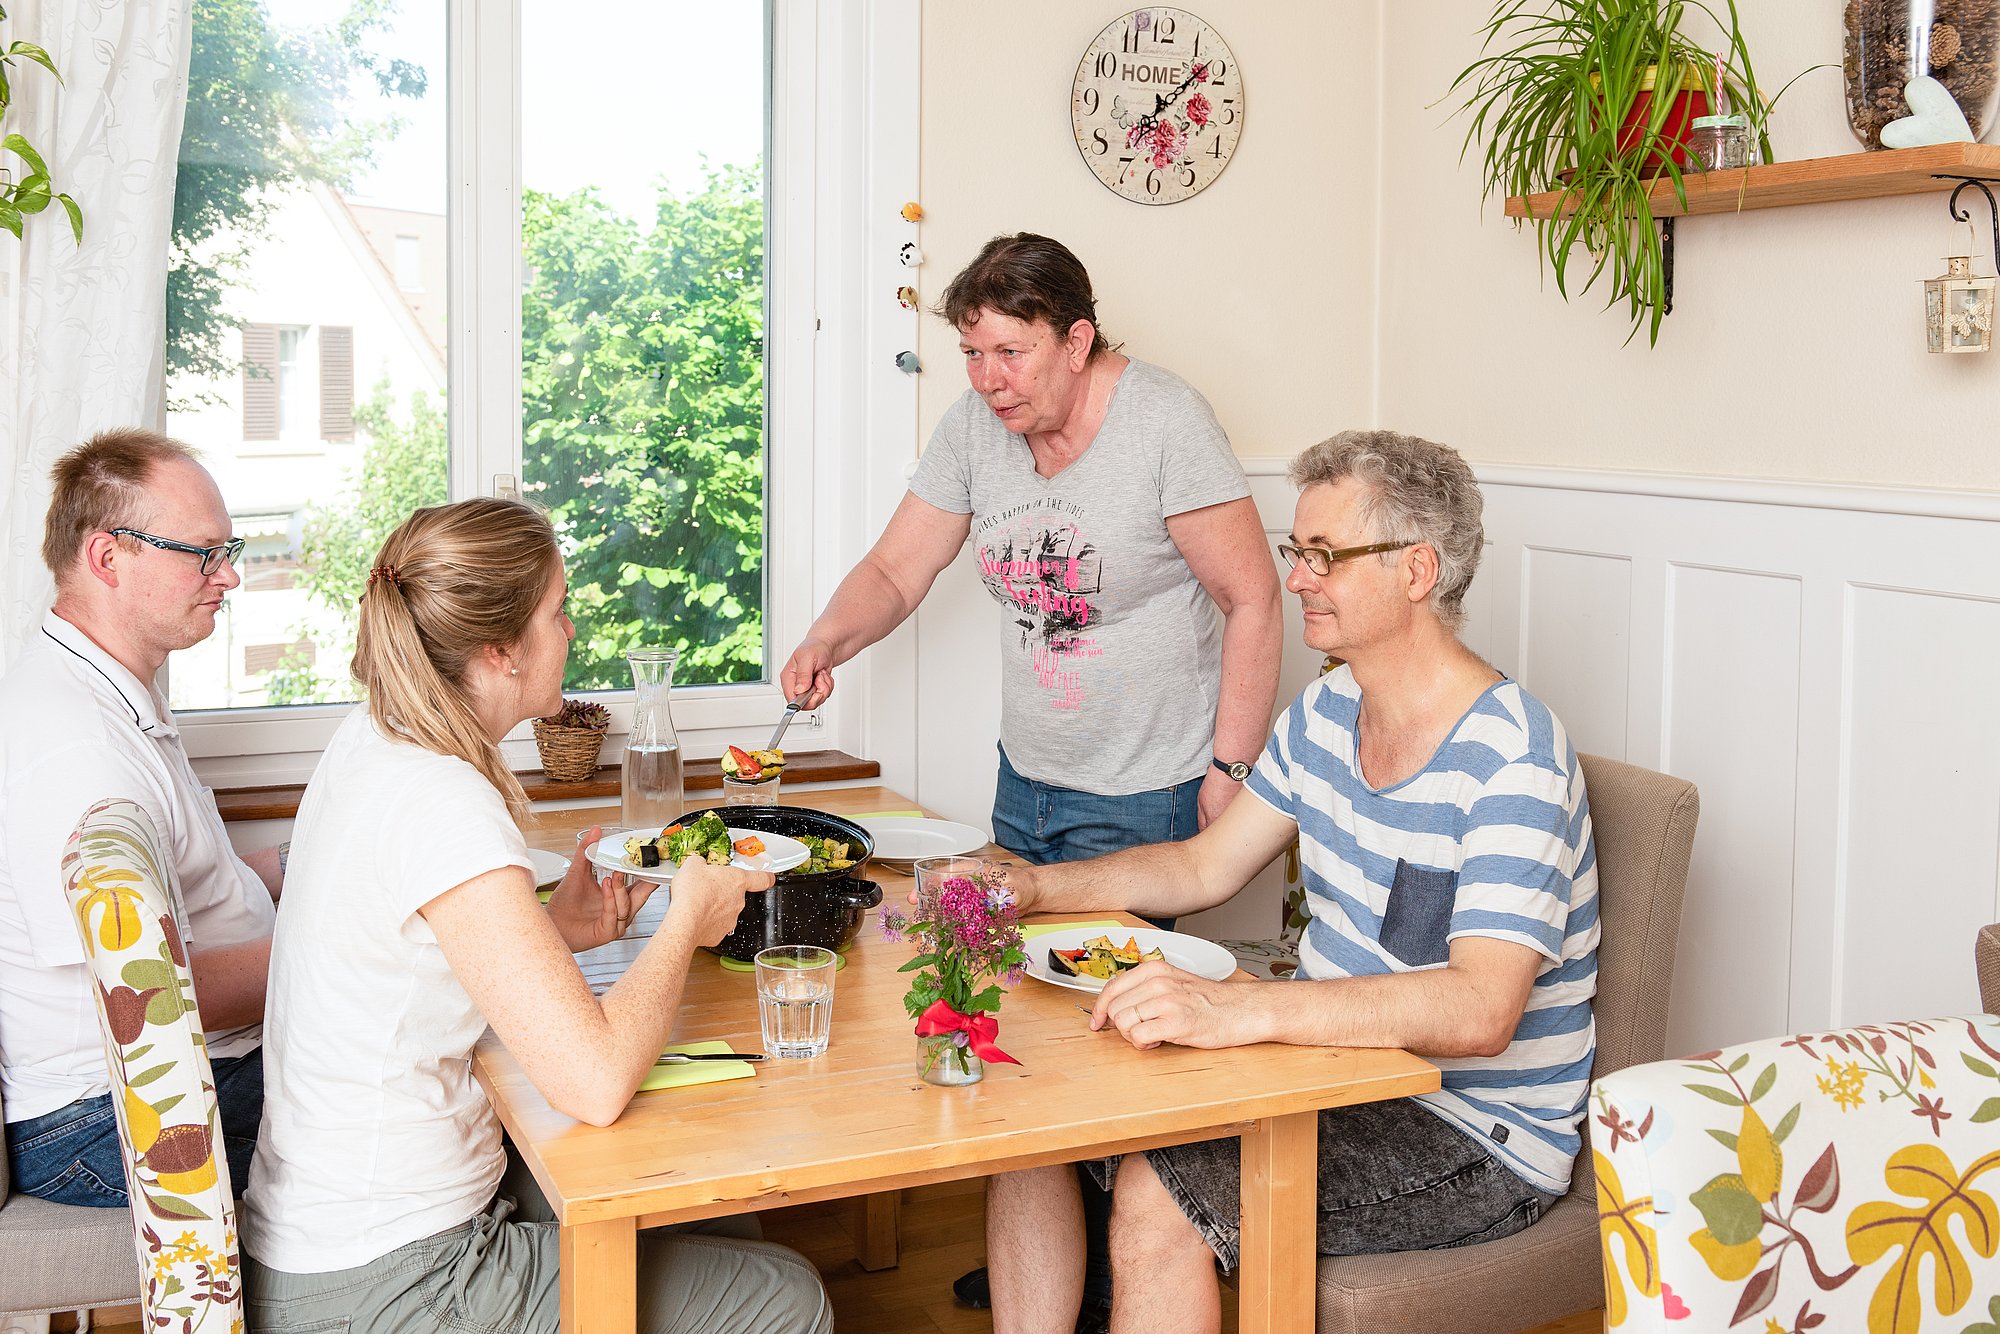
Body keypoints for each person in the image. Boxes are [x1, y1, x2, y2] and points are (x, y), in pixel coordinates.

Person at [982, 431, 1599, 1334]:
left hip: (1474, 1136)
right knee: (1040, 1109)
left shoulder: (1513, 760)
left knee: (1162, 1190)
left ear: (1417, 570)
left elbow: (1479, 1010)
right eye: (1296, 552)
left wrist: (1239, 1011)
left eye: (1324, 556)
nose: (1298, 577)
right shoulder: (1328, 709)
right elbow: (1204, 863)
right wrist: (1036, 888)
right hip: (1334, 1075)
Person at [780, 232, 1283, 1325]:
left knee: (1120, 1052)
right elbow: (893, 568)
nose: (985, 378)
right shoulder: (974, 429)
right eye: (970, 352)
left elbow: (1252, 597)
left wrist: (1230, 769)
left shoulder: (1163, 422)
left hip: (1149, 792)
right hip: (1030, 787)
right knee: (1019, 1039)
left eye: (1007, 352)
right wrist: (829, 639)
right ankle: (1056, 1272)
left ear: (1076, 338)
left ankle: (1127, 1266)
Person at [240, 497, 830, 1334]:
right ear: (500, 651)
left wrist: (564, 932)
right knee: (786, 1299)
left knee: (712, 1209)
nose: (573, 632)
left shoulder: (375, 739)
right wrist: (683, 923)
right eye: (559, 613)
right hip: (389, 1280)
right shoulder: (441, 799)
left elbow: (412, 963)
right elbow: (591, 1083)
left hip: (330, 1237)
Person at [0, 428, 282, 1207]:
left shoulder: (107, 687)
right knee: (433, 1096)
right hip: (106, 1114)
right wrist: (345, 944)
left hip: (166, 1076)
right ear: (107, 557)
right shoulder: (75, 747)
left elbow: (184, 892)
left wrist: (310, 865)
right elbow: (149, 993)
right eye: (203, 552)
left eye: (231, 549)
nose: (228, 576)